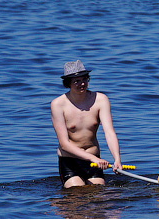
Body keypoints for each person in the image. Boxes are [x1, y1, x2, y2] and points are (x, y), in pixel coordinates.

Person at [51, 60, 122, 188]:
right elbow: (64, 144)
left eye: (84, 79)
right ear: (68, 84)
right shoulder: (58, 104)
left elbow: (109, 132)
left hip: (94, 159)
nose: (82, 84)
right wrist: (92, 158)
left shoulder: (101, 100)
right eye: (76, 81)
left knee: (97, 195)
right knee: (77, 195)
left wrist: (117, 159)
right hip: (70, 160)